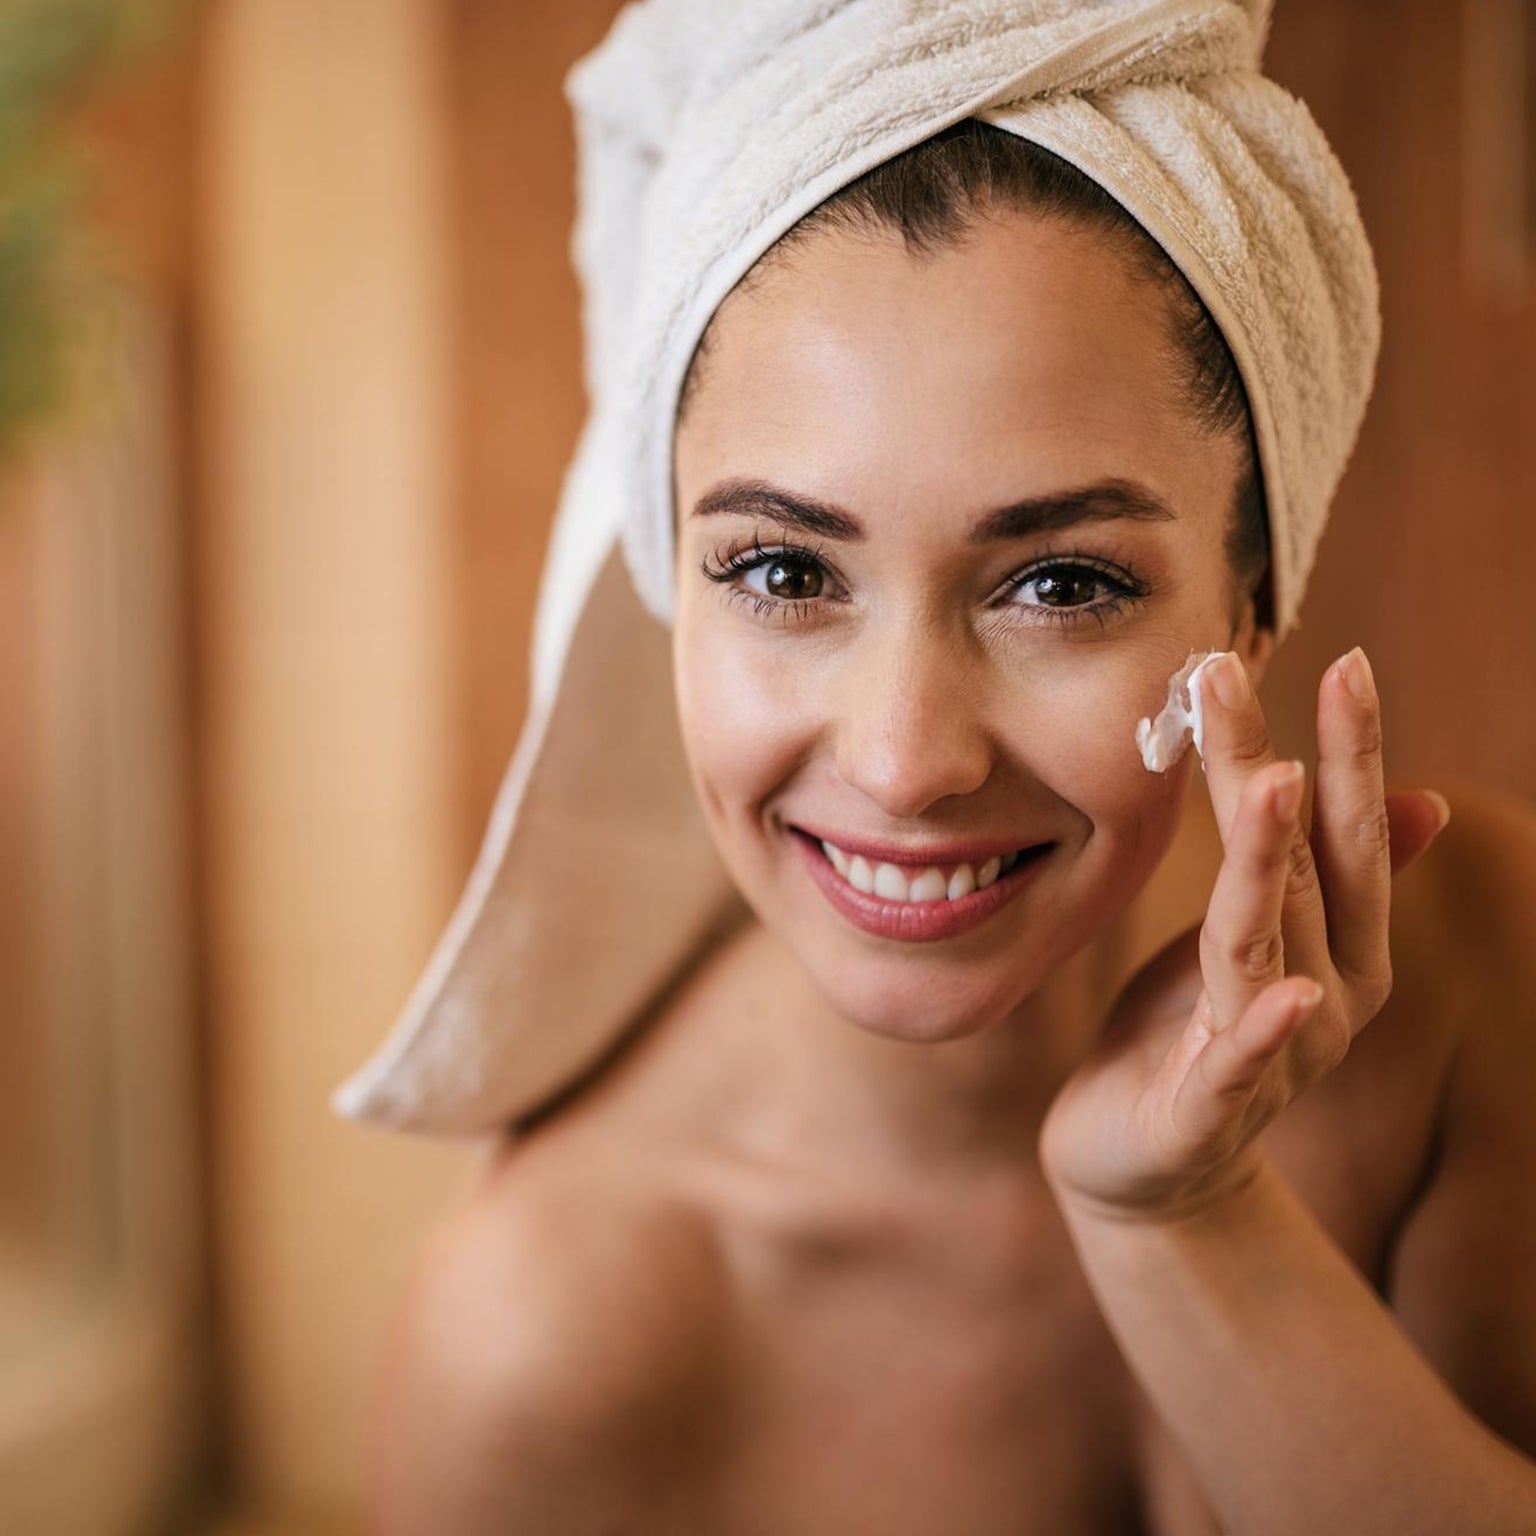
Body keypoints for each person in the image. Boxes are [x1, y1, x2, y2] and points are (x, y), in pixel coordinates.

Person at [351, 17, 1536, 1536]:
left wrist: (1188, 1218)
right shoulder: (560, 1342)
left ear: (1252, 600)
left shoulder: (1478, 985)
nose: (908, 760)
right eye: (783, 568)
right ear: (670, 586)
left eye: (1058, 585)